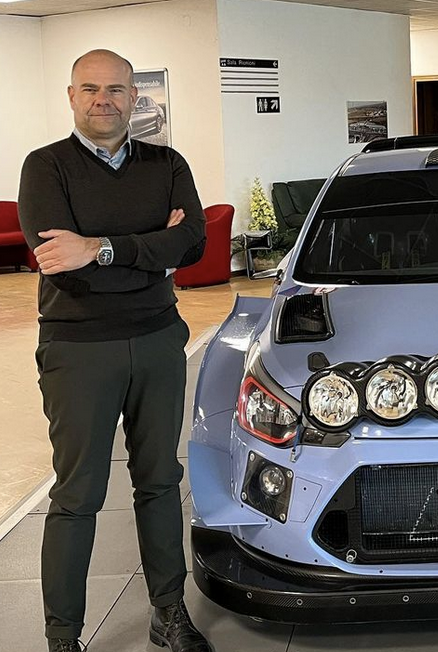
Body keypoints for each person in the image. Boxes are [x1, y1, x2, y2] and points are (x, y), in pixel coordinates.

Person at [18, 49, 212, 652]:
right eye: (90, 88)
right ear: (71, 96)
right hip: (78, 350)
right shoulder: (45, 167)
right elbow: (60, 262)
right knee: (78, 494)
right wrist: (151, 250)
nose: (103, 99)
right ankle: (63, 637)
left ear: (135, 98)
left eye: (116, 89)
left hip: (158, 340)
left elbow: (193, 242)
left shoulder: (167, 163)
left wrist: (98, 247)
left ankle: (168, 613)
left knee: (160, 481)